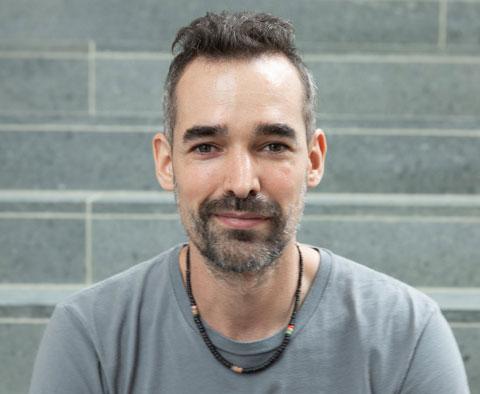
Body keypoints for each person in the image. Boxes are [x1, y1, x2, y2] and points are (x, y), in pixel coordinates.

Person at [29, 11, 470, 393]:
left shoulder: (406, 334)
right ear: (167, 164)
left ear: (313, 160)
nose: (241, 183)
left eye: (273, 146)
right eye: (206, 147)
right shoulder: (90, 336)